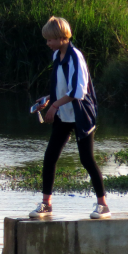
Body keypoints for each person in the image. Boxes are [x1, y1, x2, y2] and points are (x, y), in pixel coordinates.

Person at [29, 16, 110, 220]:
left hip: (81, 114)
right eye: (47, 40)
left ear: (62, 38)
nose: (48, 43)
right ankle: (46, 204)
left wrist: (55, 106)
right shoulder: (57, 55)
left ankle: (103, 205)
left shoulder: (75, 57)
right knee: (50, 157)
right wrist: (49, 99)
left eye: (51, 40)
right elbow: (62, 87)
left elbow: (78, 92)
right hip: (64, 115)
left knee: (87, 159)